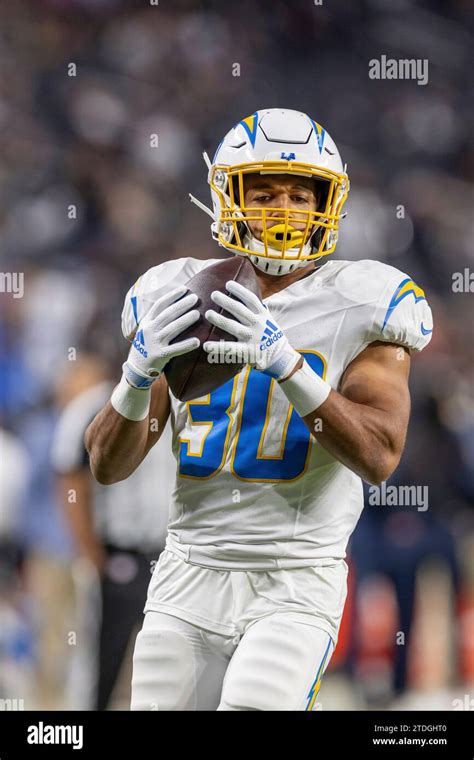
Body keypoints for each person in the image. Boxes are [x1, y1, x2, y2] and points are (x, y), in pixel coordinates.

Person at [85, 108, 434, 710]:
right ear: (228, 197)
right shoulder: (179, 293)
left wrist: (287, 365)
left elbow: (380, 457)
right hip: (186, 571)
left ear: (328, 203)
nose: (282, 209)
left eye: (301, 194)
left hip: (294, 579)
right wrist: (136, 376)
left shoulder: (364, 301)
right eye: (264, 192)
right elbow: (106, 466)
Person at [52, 355, 174, 709]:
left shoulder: (185, 401)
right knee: (100, 660)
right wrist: (92, 556)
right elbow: (70, 478)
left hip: (169, 555)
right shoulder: (93, 405)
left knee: (162, 664)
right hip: (117, 553)